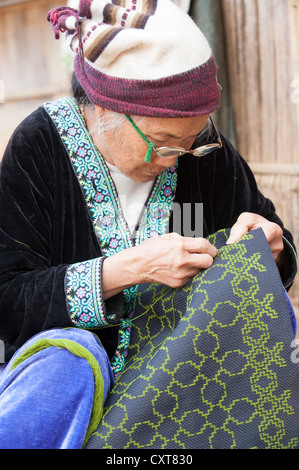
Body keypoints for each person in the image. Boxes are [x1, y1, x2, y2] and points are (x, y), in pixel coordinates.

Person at [0, 0, 297, 449]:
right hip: (72, 382)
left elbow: (273, 236)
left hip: (183, 363)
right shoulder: (39, 147)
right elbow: (8, 299)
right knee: (65, 367)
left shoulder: (206, 149)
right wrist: (126, 269)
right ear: (102, 110)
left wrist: (274, 250)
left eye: (189, 142)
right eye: (161, 143)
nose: (176, 158)